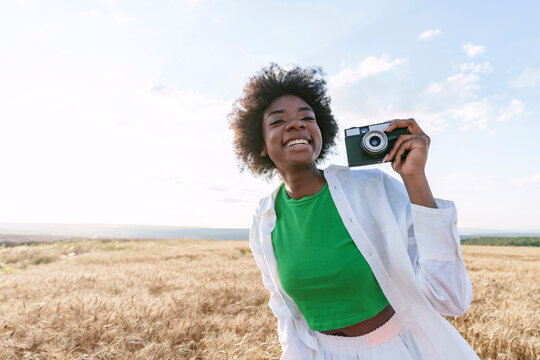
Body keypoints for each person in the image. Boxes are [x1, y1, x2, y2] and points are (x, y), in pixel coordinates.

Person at [229, 64, 479, 360]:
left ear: (320, 131)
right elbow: (284, 311)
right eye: (278, 121)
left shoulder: (373, 189)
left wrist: (414, 178)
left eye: (307, 118)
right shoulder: (264, 219)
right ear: (259, 145)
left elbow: (450, 298)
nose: (296, 125)